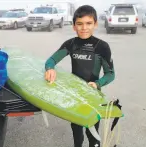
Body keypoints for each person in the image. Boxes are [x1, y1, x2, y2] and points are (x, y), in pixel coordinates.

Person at [44, 5, 115, 147]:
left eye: (89, 23)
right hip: (75, 96)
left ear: (95, 24)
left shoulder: (102, 46)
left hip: (93, 96)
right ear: (74, 26)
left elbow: (110, 74)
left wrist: (98, 84)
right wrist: (50, 68)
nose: (84, 28)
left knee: (93, 134)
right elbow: (51, 60)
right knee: (77, 132)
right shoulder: (71, 44)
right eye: (80, 24)